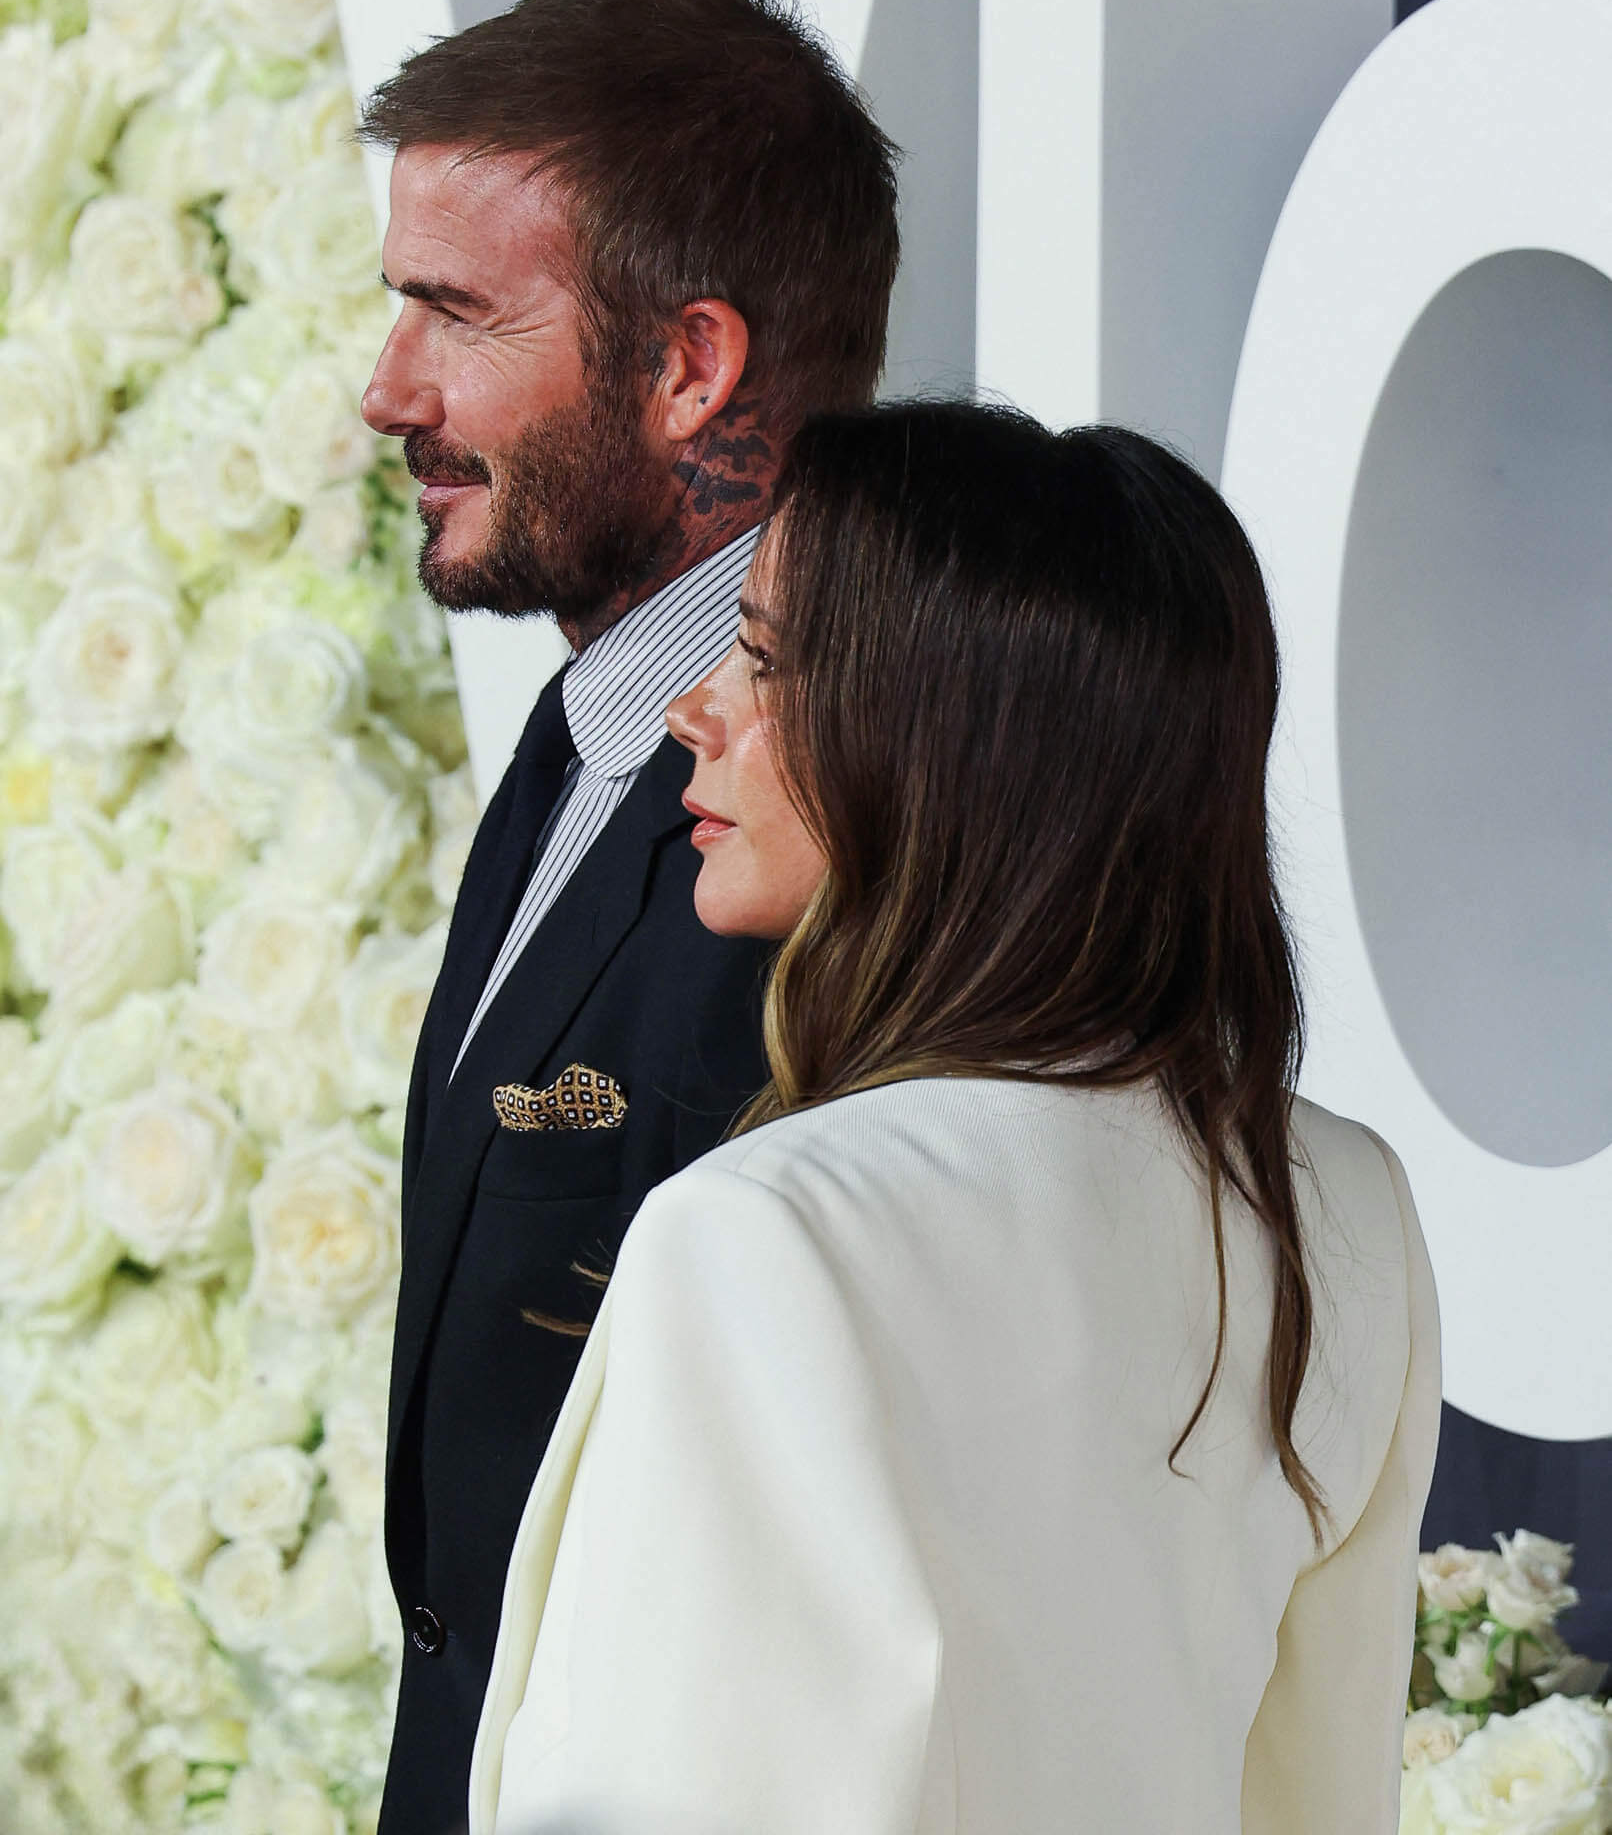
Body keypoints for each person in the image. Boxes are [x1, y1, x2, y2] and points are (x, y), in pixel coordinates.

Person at [470, 403, 1443, 1835]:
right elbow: (1323, 1796)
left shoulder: (763, 1237)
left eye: (763, 656)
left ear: (945, 741)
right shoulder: (1339, 1202)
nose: (695, 708)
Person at [356, 0, 900, 1835]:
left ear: (689, 368)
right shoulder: (594, 715)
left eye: (455, 313)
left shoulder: (852, 818)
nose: (387, 391)